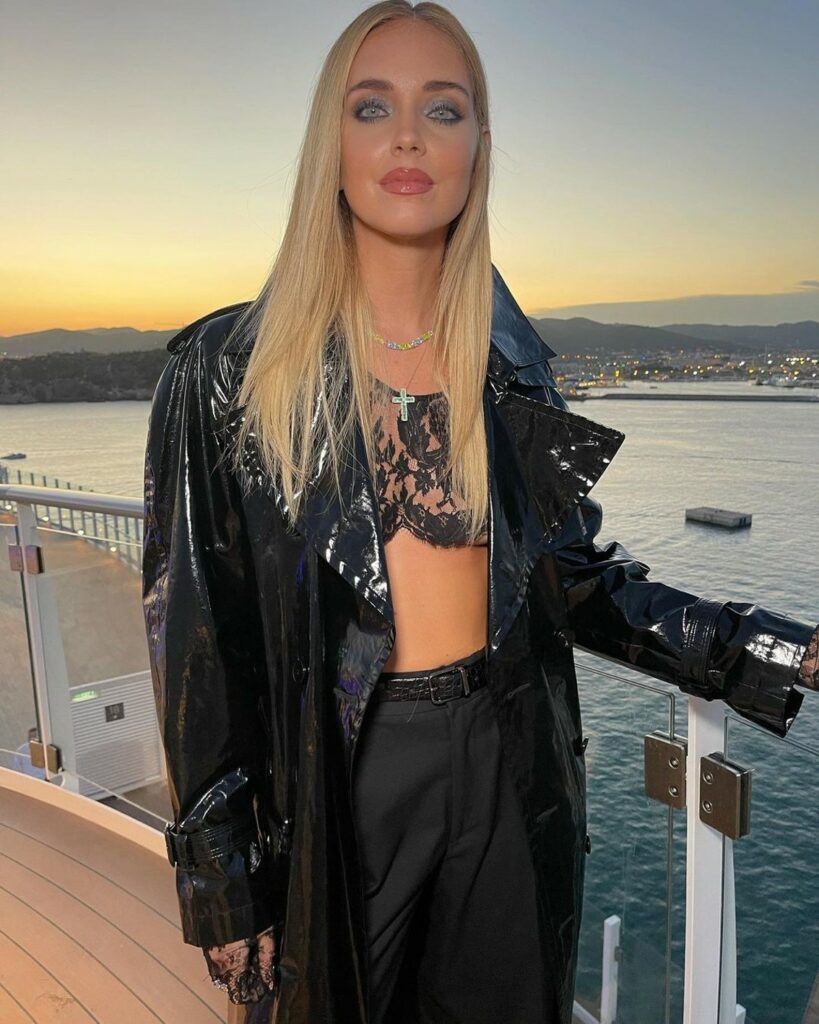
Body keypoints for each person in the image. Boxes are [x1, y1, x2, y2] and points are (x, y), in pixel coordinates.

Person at [141, 3, 819, 1022]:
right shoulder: (227, 373)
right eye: (373, 107)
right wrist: (222, 878)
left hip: (509, 757)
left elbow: (576, 585)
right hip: (339, 775)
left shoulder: (509, 369)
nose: (409, 136)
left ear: (479, 148)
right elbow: (198, 643)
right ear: (330, 143)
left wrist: (777, 649)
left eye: (444, 109)